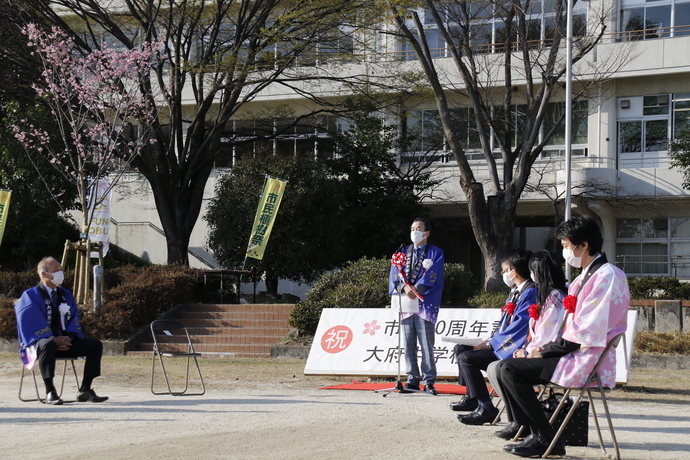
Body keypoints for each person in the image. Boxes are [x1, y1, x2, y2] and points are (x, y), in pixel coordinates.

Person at [496, 216, 629, 457]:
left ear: (583, 246)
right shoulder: (583, 278)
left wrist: (544, 351)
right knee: (506, 367)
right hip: (572, 353)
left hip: (586, 357)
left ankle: (544, 437)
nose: (565, 251)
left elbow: (584, 331)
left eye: (567, 245)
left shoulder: (608, 276)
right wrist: (540, 349)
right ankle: (541, 435)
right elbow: (570, 329)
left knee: (509, 370)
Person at [488, 250, 567, 440]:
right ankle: (519, 421)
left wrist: (528, 351)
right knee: (497, 368)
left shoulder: (555, 297)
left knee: (505, 369)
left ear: (540, 273)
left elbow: (547, 333)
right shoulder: (548, 296)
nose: (531, 276)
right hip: (542, 352)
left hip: (551, 357)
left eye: (533, 271)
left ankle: (528, 425)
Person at [453, 249, 536, 425]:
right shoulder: (515, 292)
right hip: (501, 342)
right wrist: (489, 340)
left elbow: (519, 327)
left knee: (467, 358)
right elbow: (503, 324)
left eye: (506, 270)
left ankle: (486, 407)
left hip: (512, 348)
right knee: (460, 348)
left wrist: (492, 344)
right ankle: (472, 396)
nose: (503, 274)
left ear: (515, 271)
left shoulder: (529, 292)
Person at [15, 257, 108, 405]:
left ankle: (85, 389)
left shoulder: (65, 294)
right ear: (44, 274)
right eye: (56, 270)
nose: (61, 273)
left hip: (64, 342)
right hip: (42, 344)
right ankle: (50, 391)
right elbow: (29, 320)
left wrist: (69, 338)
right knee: (47, 344)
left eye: (61, 270)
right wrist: (52, 339)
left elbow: (73, 319)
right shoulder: (30, 295)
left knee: (94, 345)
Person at [388, 217, 444, 395]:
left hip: (424, 304)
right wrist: (403, 287)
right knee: (408, 342)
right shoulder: (402, 253)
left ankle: (428, 380)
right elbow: (394, 275)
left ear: (426, 233)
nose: (414, 232)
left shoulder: (435, 253)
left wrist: (417, 289)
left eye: (418, 228)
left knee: (427, 344)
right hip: (405, 303)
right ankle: (412, 378)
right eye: (412, 228)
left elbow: (433, 275)